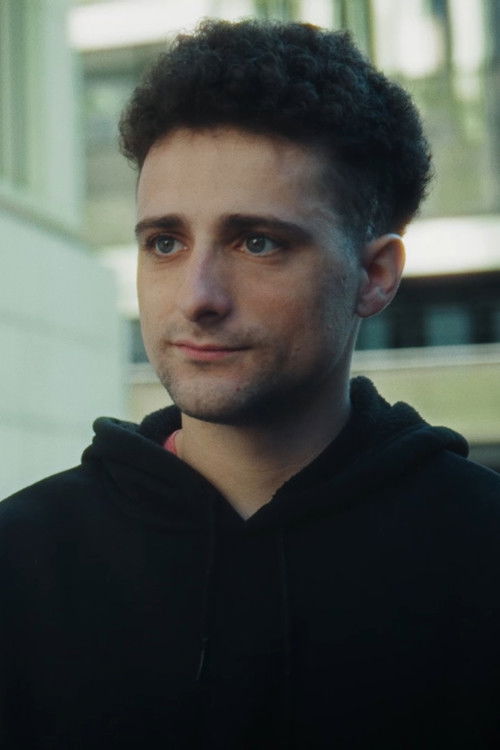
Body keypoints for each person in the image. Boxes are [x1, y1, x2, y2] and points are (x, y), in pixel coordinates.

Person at [1, 19, 500, 749]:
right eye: (165, 242)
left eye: (257, 242)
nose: (197, 296)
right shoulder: (23, 562)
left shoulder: (480, 554)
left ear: (374, 275)